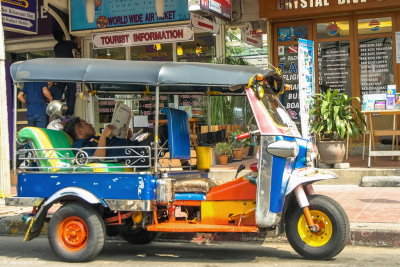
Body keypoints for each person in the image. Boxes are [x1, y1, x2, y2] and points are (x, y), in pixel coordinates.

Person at [63, 117, 143, 160]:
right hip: (135, 155)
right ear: (79, 131)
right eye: (86, 124)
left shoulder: (93, 138)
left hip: (135, 148)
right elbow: (98, 158)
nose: (90, 124)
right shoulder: (80, 145)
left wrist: (126, 137)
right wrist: (104, 135)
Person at [53, 30, 79, 116]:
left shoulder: (56, 47)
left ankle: (57, 109)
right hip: (70, 71)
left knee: (59, 91)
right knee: (71, 91)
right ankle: (70, 111)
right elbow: (78, 45)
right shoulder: (68, 44)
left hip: (60, 72)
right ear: (64, 36)